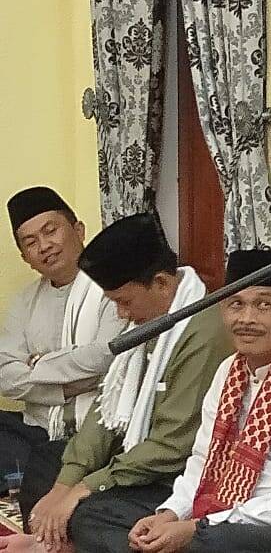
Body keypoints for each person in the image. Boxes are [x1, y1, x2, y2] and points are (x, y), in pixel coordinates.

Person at [5, 214, 230, 553]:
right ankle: (49, 543)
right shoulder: (149, 318)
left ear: (162, 284)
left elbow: (171, 447)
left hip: (173, 476)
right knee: (46, 464)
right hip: (131, 457)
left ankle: (53, 546)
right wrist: (66, 484)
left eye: (124, 302)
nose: (122, 315)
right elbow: (105, 408)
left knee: (91, 514)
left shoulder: (203, 333)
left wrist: (84, 488)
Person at [124, 249, 271, 552]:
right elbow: (202, 460)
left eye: (263, 305)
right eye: (236, 304)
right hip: (214, 517)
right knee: (100, 515)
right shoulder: (228, 369)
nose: (247, 319)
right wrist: (169, 514)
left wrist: (197, 528)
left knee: (208, 545)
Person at [0, 187, 125, 521]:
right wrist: (65, 387)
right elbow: (5, 376)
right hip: (37, 430)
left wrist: (38, 363)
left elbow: (105, 357)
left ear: (79, 230)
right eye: (30, 242)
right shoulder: (24, 302)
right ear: (25, 257)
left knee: (44, 467)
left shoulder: (112, 289)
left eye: (50, 230)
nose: (44, 246)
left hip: (93, 434)